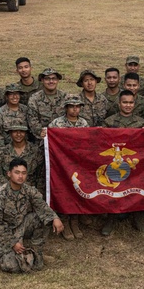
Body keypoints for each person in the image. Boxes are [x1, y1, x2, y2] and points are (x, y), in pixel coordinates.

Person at [0, 157, 64, 273]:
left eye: (23, 173)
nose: (20, 176)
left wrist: (55, 218)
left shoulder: (28, 190)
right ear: (9, 174)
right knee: (10, 266)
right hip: (5, 233)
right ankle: (20, 253)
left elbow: (42, 206)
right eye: (17, 173)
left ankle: (36, 250)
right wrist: (13, 243)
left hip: (21, 226)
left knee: (42, 218)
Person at [104, 90, 144, 234]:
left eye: (131, 102)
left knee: (136, 190)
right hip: (115, 165)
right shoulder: (109, 122)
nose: (128, 105)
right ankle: (111, 219)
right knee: (113, 190)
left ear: (134, 104)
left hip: (134, 165)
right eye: (125, 102)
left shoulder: (141, 123)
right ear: (119, 104)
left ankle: (137, 217)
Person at [48, 95, 88, 239]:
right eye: (71, 106)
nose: (74, 109)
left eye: (77, 106)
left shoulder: (84, 123)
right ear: (66, 108)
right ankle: (64, 220)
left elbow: (89, 144)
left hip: (78, 165)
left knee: (77, 190)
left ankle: (75, 220)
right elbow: (49, 143)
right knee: (64, 191)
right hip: (61, 165)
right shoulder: (56, 123)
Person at [26, 68, 67, 140]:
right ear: (42, 80)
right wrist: (41, 132)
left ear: (57, 80)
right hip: (42, 139)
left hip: (62, 138)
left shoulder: (65, 97)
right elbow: (33, 120)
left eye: (54, 78)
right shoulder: (34, 99)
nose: (51, 81)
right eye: (47, 79)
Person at [0, 85, 29, 153]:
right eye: (11, 94)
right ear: (6, 96)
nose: (15, 97)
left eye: (17, 94)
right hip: (7, 153)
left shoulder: (27, 111)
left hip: (26, 152)